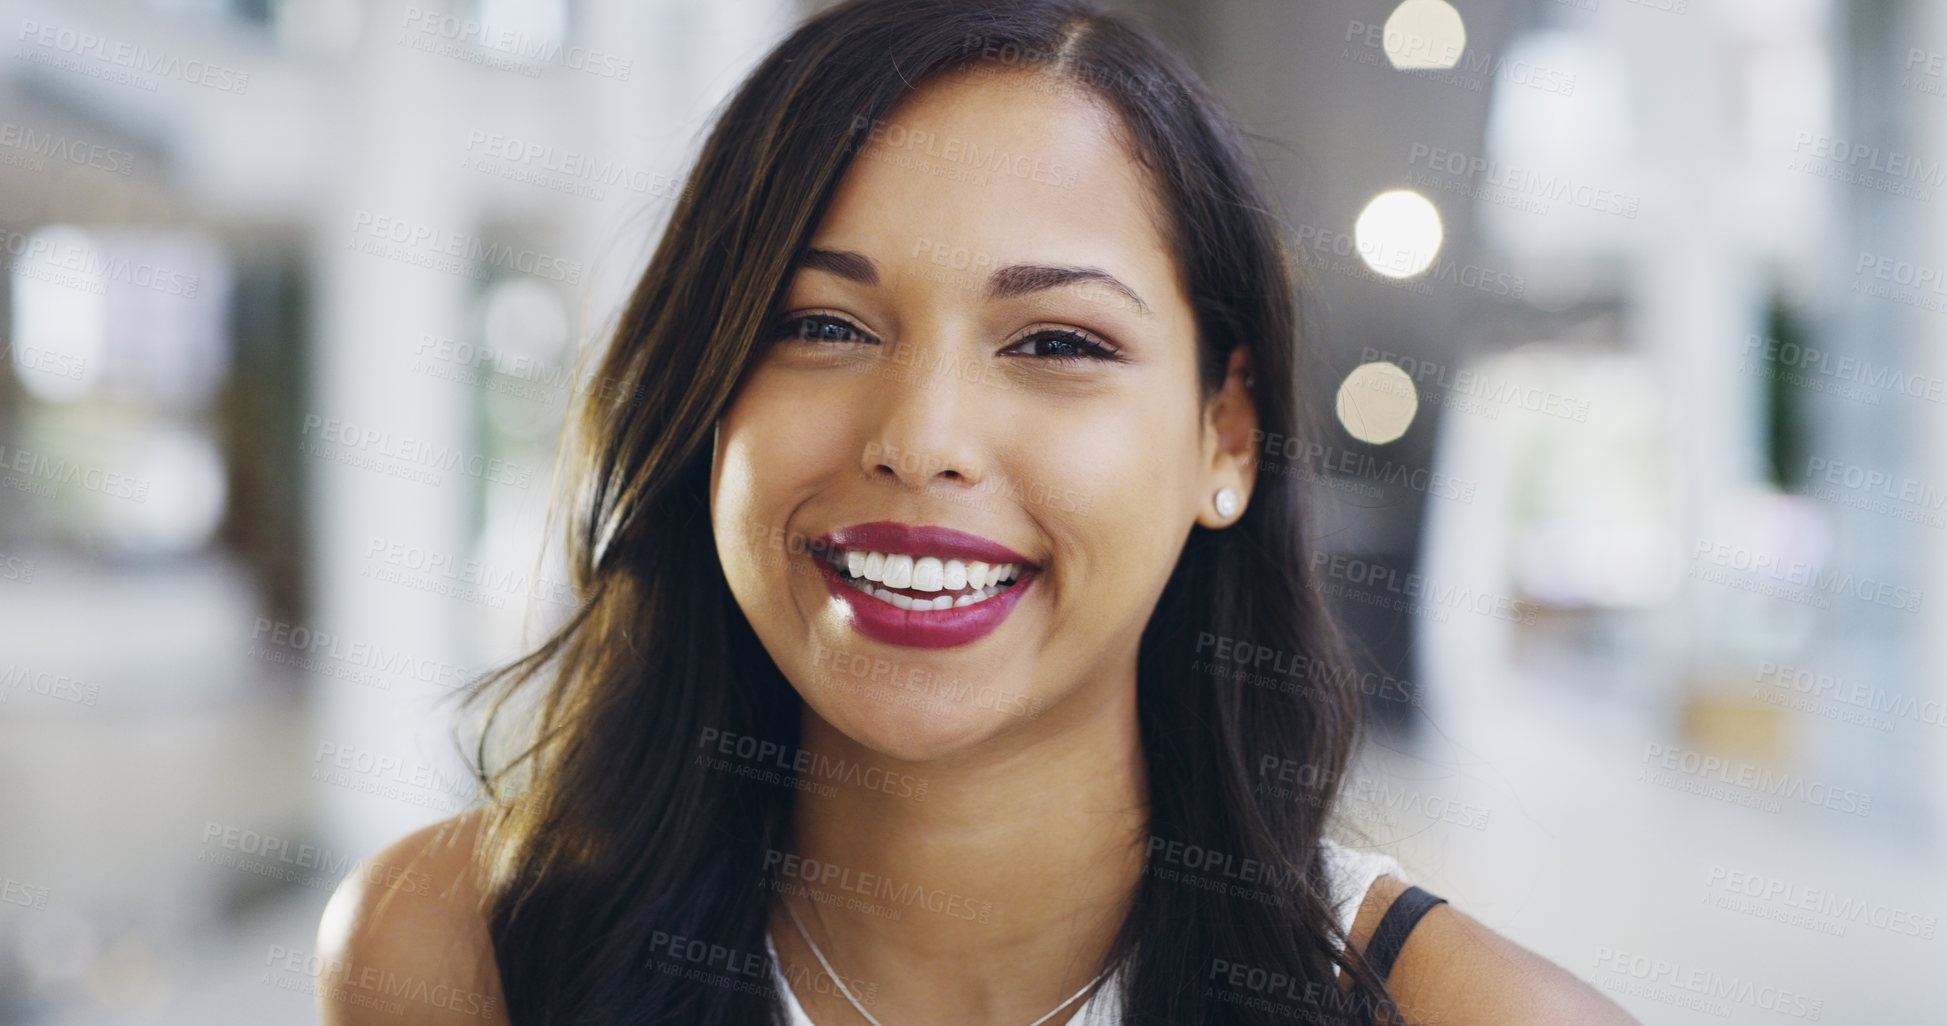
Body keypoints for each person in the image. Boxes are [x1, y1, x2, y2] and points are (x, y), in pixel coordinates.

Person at [317, 1, 1640, 1023]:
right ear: (705, 396)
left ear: (1222, 435)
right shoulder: (451, 953)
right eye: (822, 323)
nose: (923, 439)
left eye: (1057, 341)